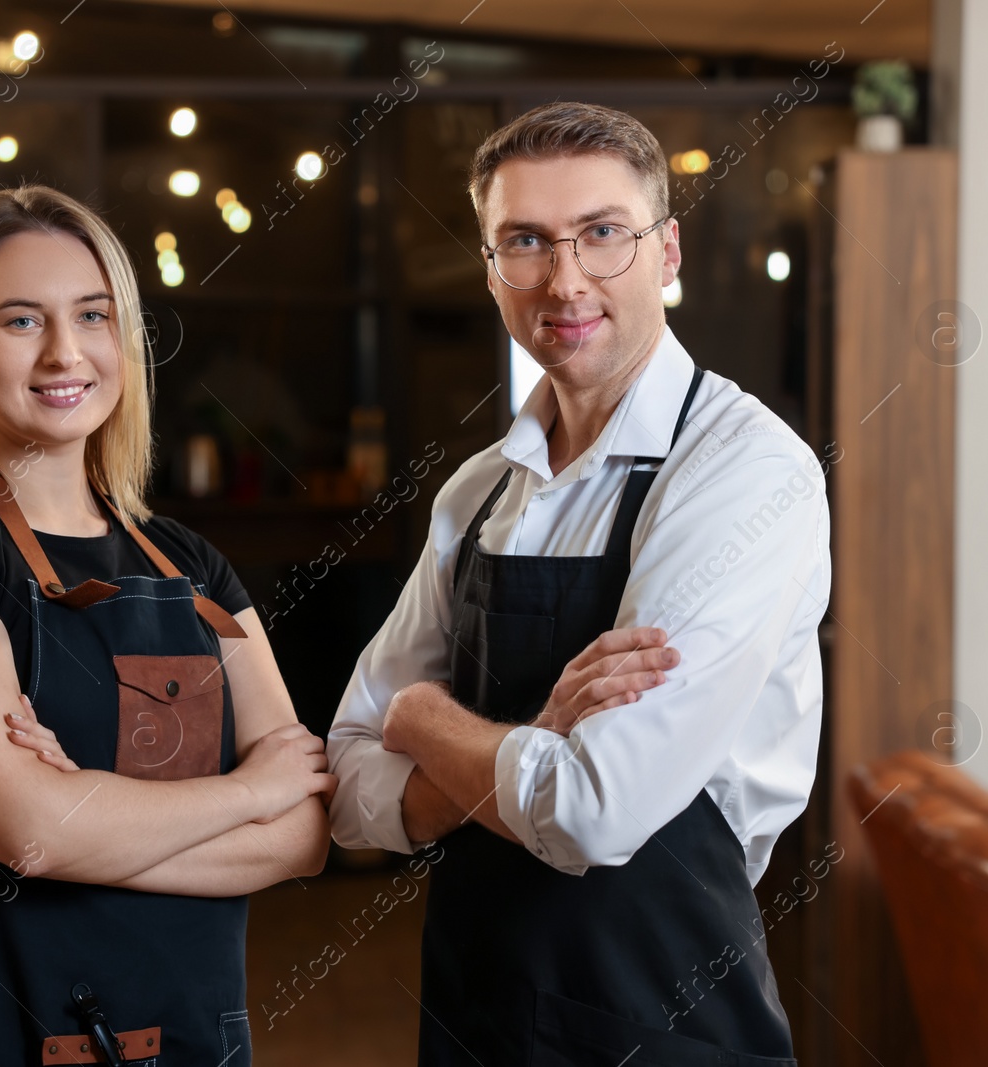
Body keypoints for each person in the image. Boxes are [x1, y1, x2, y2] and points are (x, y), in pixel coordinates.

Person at [327, 102, 831, 1066]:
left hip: (661, 1020)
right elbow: (350, 785)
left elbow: (593, 811)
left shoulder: (743, 471)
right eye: (525, 241)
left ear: (667, 252)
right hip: (474, 1016)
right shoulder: (476, 491)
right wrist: (529, 743)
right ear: (490, 268)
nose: (564, 281)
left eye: (602, 234)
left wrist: (428, 719)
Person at [0, 185, 334, 1067]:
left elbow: (306, 834)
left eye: (92, 316)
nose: (64, 353)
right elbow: (30, 830)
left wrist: (77, 826)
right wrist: (247, 793)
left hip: (191, 1038)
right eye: (20, 321)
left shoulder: (190, 561)